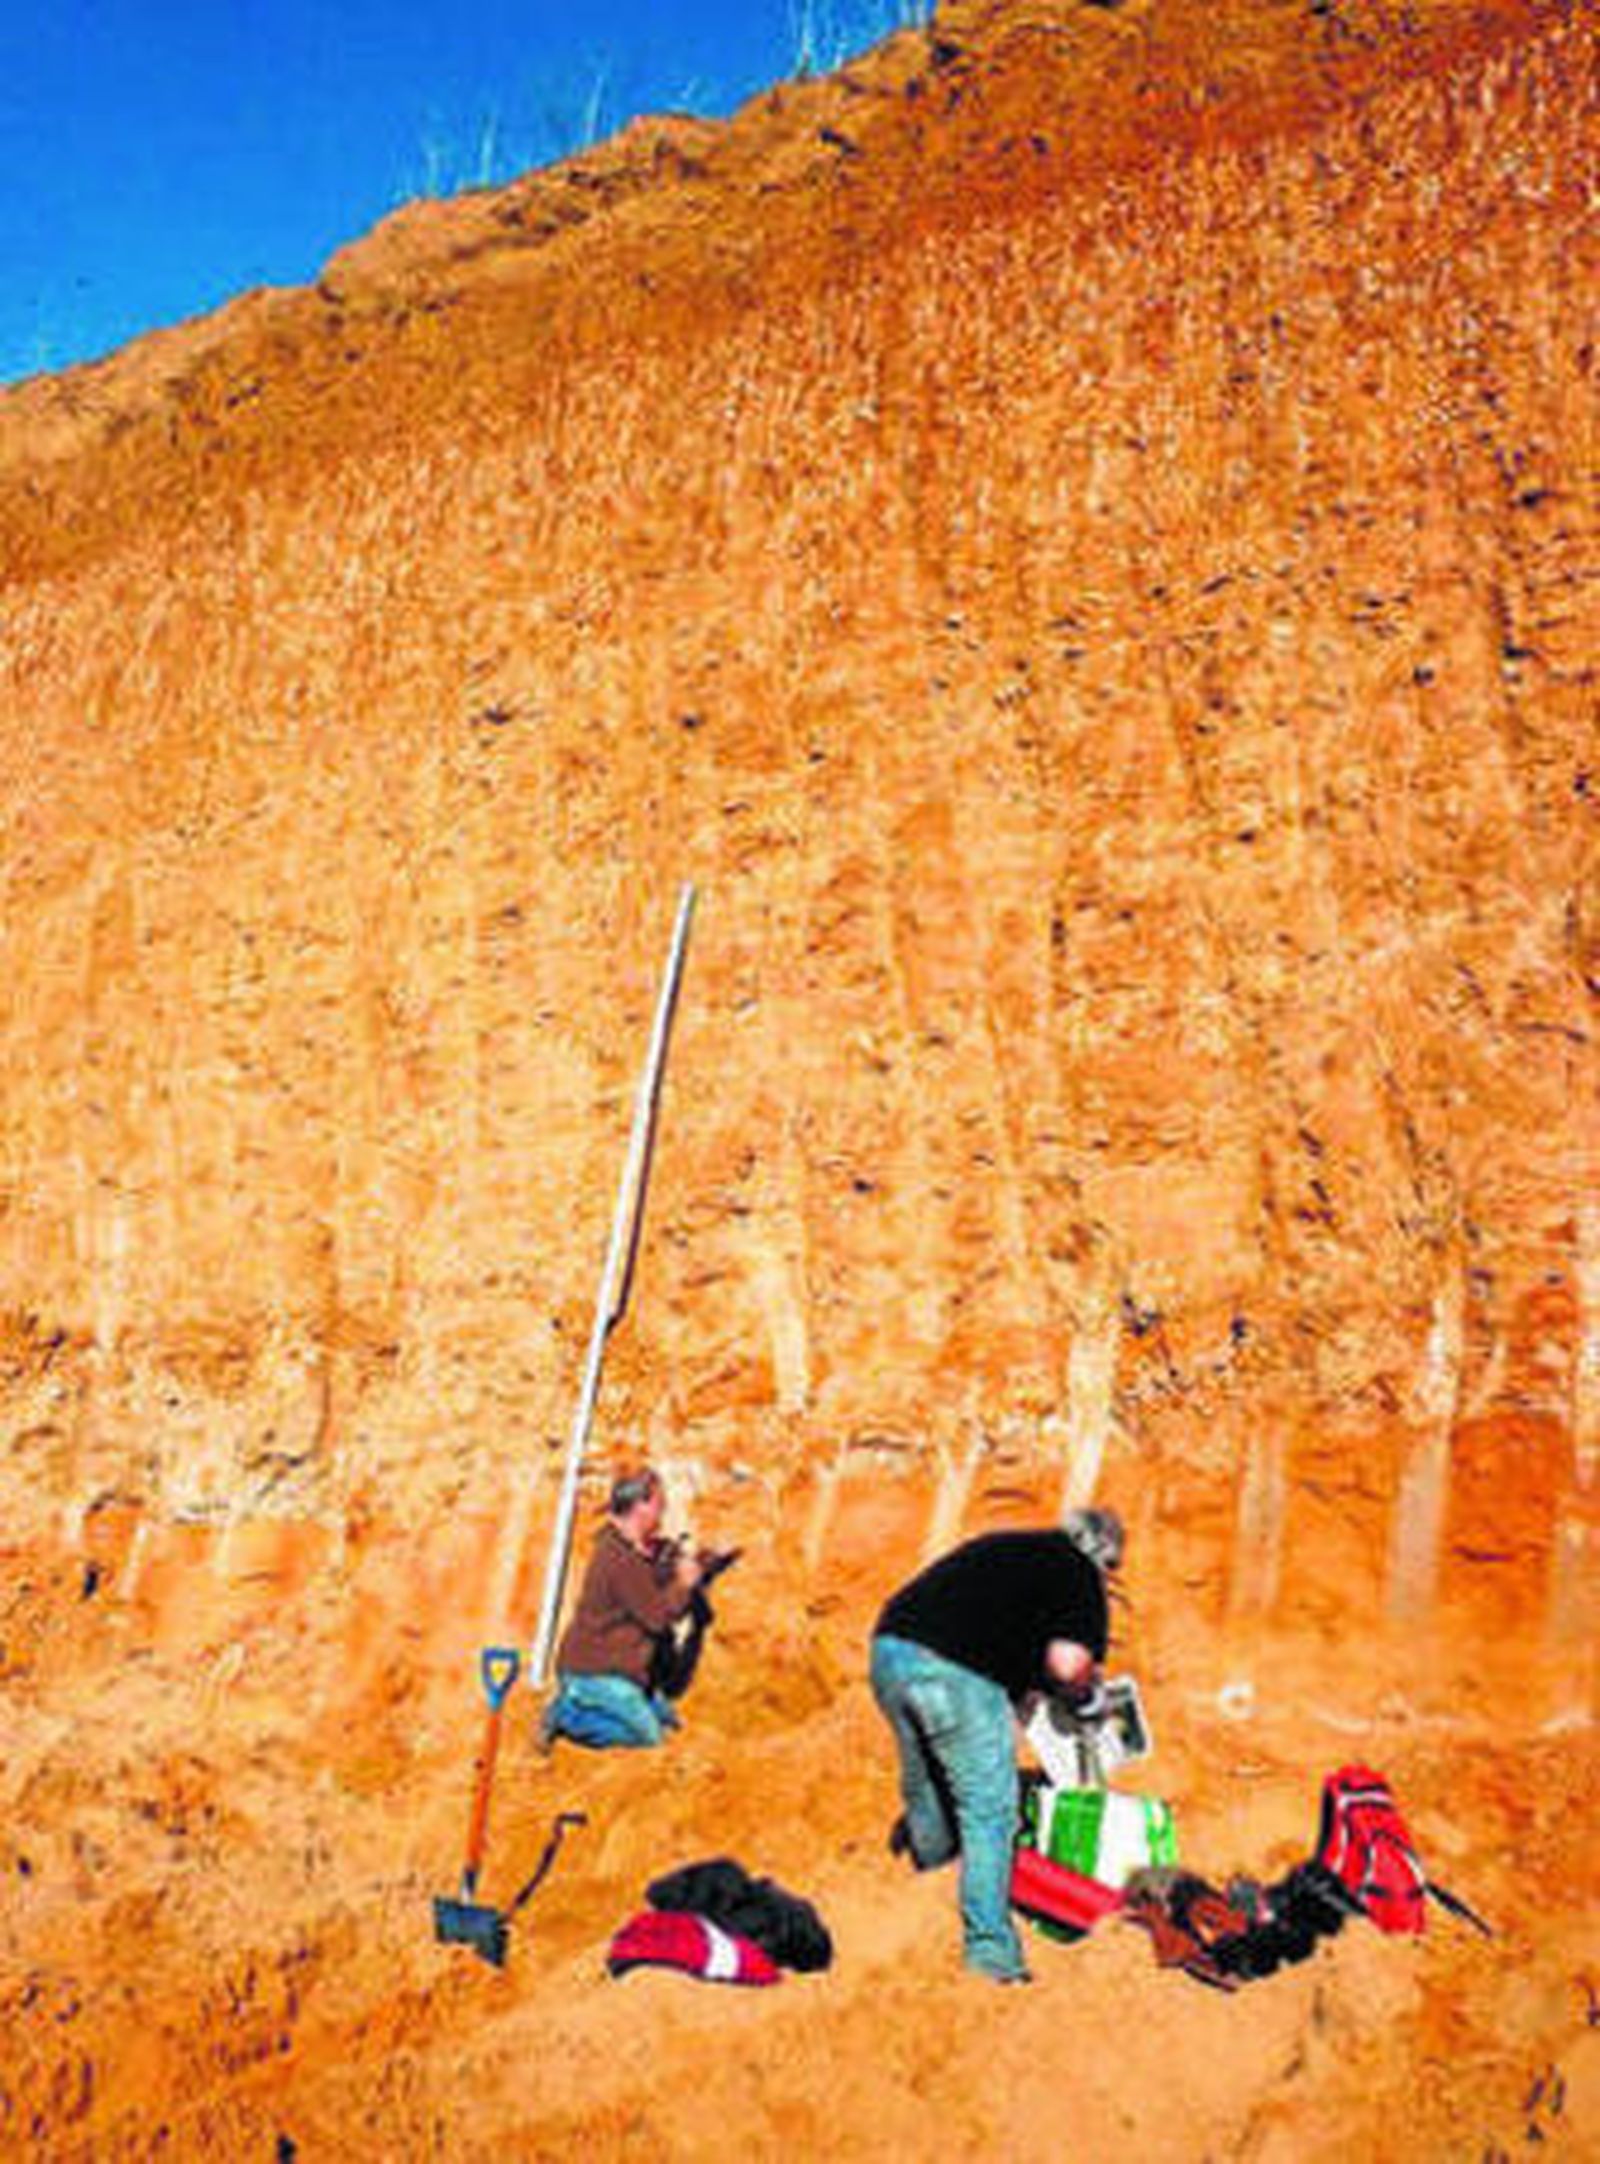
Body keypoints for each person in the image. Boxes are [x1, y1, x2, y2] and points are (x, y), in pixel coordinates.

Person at [870, 1506, 1126, 1983]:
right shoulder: (1079, 1573)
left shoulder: (1009, 1547)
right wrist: (1088, 1694)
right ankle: (991, 1952)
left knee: (927, 1778)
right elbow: (1069, 1664)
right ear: (1103, 1559)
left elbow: (1001, 1631)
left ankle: (930, 1875)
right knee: (990, 1809)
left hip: (890, 1651)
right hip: (958, 1675)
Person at [543, 1468, 714, 1750]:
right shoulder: (618, 1559)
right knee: (648, 1738)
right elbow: (658, 1618)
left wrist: (695, 1560)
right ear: (640, 1507)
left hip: (622, 1672)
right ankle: (567, 1715)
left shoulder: (626, 1543)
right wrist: (683, 1583)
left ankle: (587, 1704)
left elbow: (655, 1562)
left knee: (668, 1721)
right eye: (659, 1503)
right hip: (595, 1673)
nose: (664, 1510)